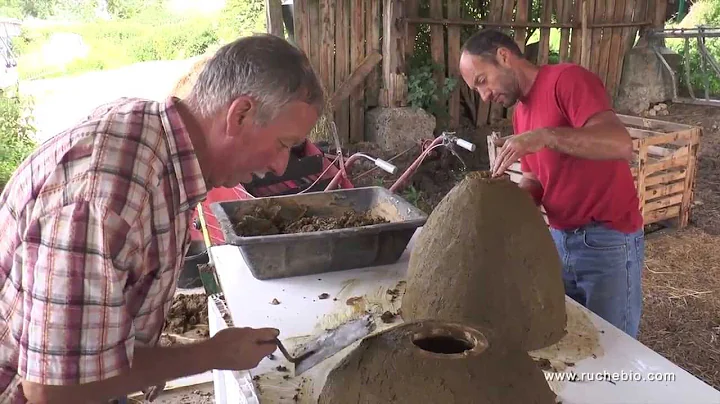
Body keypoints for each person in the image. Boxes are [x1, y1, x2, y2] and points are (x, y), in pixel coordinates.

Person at [0, 33, 324, 403]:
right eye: (283, 144)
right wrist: (213, 354)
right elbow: (52, 391)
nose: (280, 165)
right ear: (241, 115)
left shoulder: (155, 137)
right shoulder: (112, 192)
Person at [458, 28, 645, 339]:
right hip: (559, 241)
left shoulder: (567, 80)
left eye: (482, 81)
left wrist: (545, 136)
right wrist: (503, 200)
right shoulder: (521, 114)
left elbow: (620, 144)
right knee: (572, 338)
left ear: (504, 57)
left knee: (614, 349)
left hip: (606, 241)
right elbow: (534, 181)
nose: (485, 96)